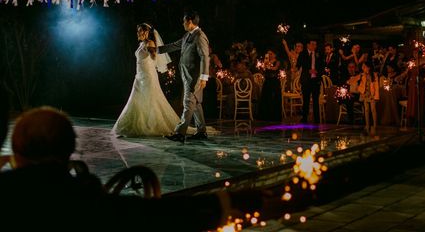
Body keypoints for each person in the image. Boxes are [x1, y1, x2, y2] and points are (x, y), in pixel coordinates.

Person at [0, 106, 272, 231]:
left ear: (16, 152)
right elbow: (158, 215)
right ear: (68, 150)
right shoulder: (86, 198)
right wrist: (225, 202)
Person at [113, 23, 179, 137]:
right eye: (137, 31)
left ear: (146, 32)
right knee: (136, 100)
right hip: (139, 76)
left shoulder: (150, 43)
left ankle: (150, 125)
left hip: (148, 76)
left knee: (150, 100)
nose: (138, 33)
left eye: (140, 31)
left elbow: (153, 55)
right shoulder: (141, 43)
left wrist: (152, 53)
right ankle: (132, 125)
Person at [158, 12, 211, 143]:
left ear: (190, 21)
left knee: (188, 102)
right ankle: (201, 131)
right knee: (196, 103)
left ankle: (179, 133)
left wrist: (204, 77)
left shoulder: (200, 36)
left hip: (195, 77)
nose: (183, 24)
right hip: (187, 74)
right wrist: (157, 50)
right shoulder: (188, 35)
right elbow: (176, 45)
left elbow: (205, 57)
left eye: (184, 21)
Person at [297, 39, 322, 124]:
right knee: (306, 99)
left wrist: (317, 71)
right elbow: (298, 65)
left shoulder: (318, 54)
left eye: (315, 44)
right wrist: (308, 71)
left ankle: (317, 118)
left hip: (315, 80)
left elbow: (322, 66)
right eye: (312, 44)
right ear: (308, 45)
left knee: (315, 99)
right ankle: (304, 118)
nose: (314, 46)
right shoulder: (303, 54)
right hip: (306, 80)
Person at [258, 50, 282, 122]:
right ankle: (265, 116)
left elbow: (275, 68)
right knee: (266, 97)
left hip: (274, 82)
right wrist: (262, 66)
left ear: (275, 55)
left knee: (273, 98)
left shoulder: (277, 62)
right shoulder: (266, 61)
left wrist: (268, 66)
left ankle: (273, 116)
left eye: (271, 54)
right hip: (267, 81)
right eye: (268, 54)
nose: (269, 55)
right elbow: (264, 71)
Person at [356, 60, 379, 134]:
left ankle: (375, 125)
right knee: (366, 110)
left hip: (372, 95)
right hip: (365, 94)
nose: (363, 68)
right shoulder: (363, 75)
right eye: (363, 67)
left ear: (369, 68)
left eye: (364, 67)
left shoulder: (374, 75)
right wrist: (360, 91)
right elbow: (361, 85)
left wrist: (375, 96)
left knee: (373, 109)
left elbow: (376, 87)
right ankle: (367, 125)